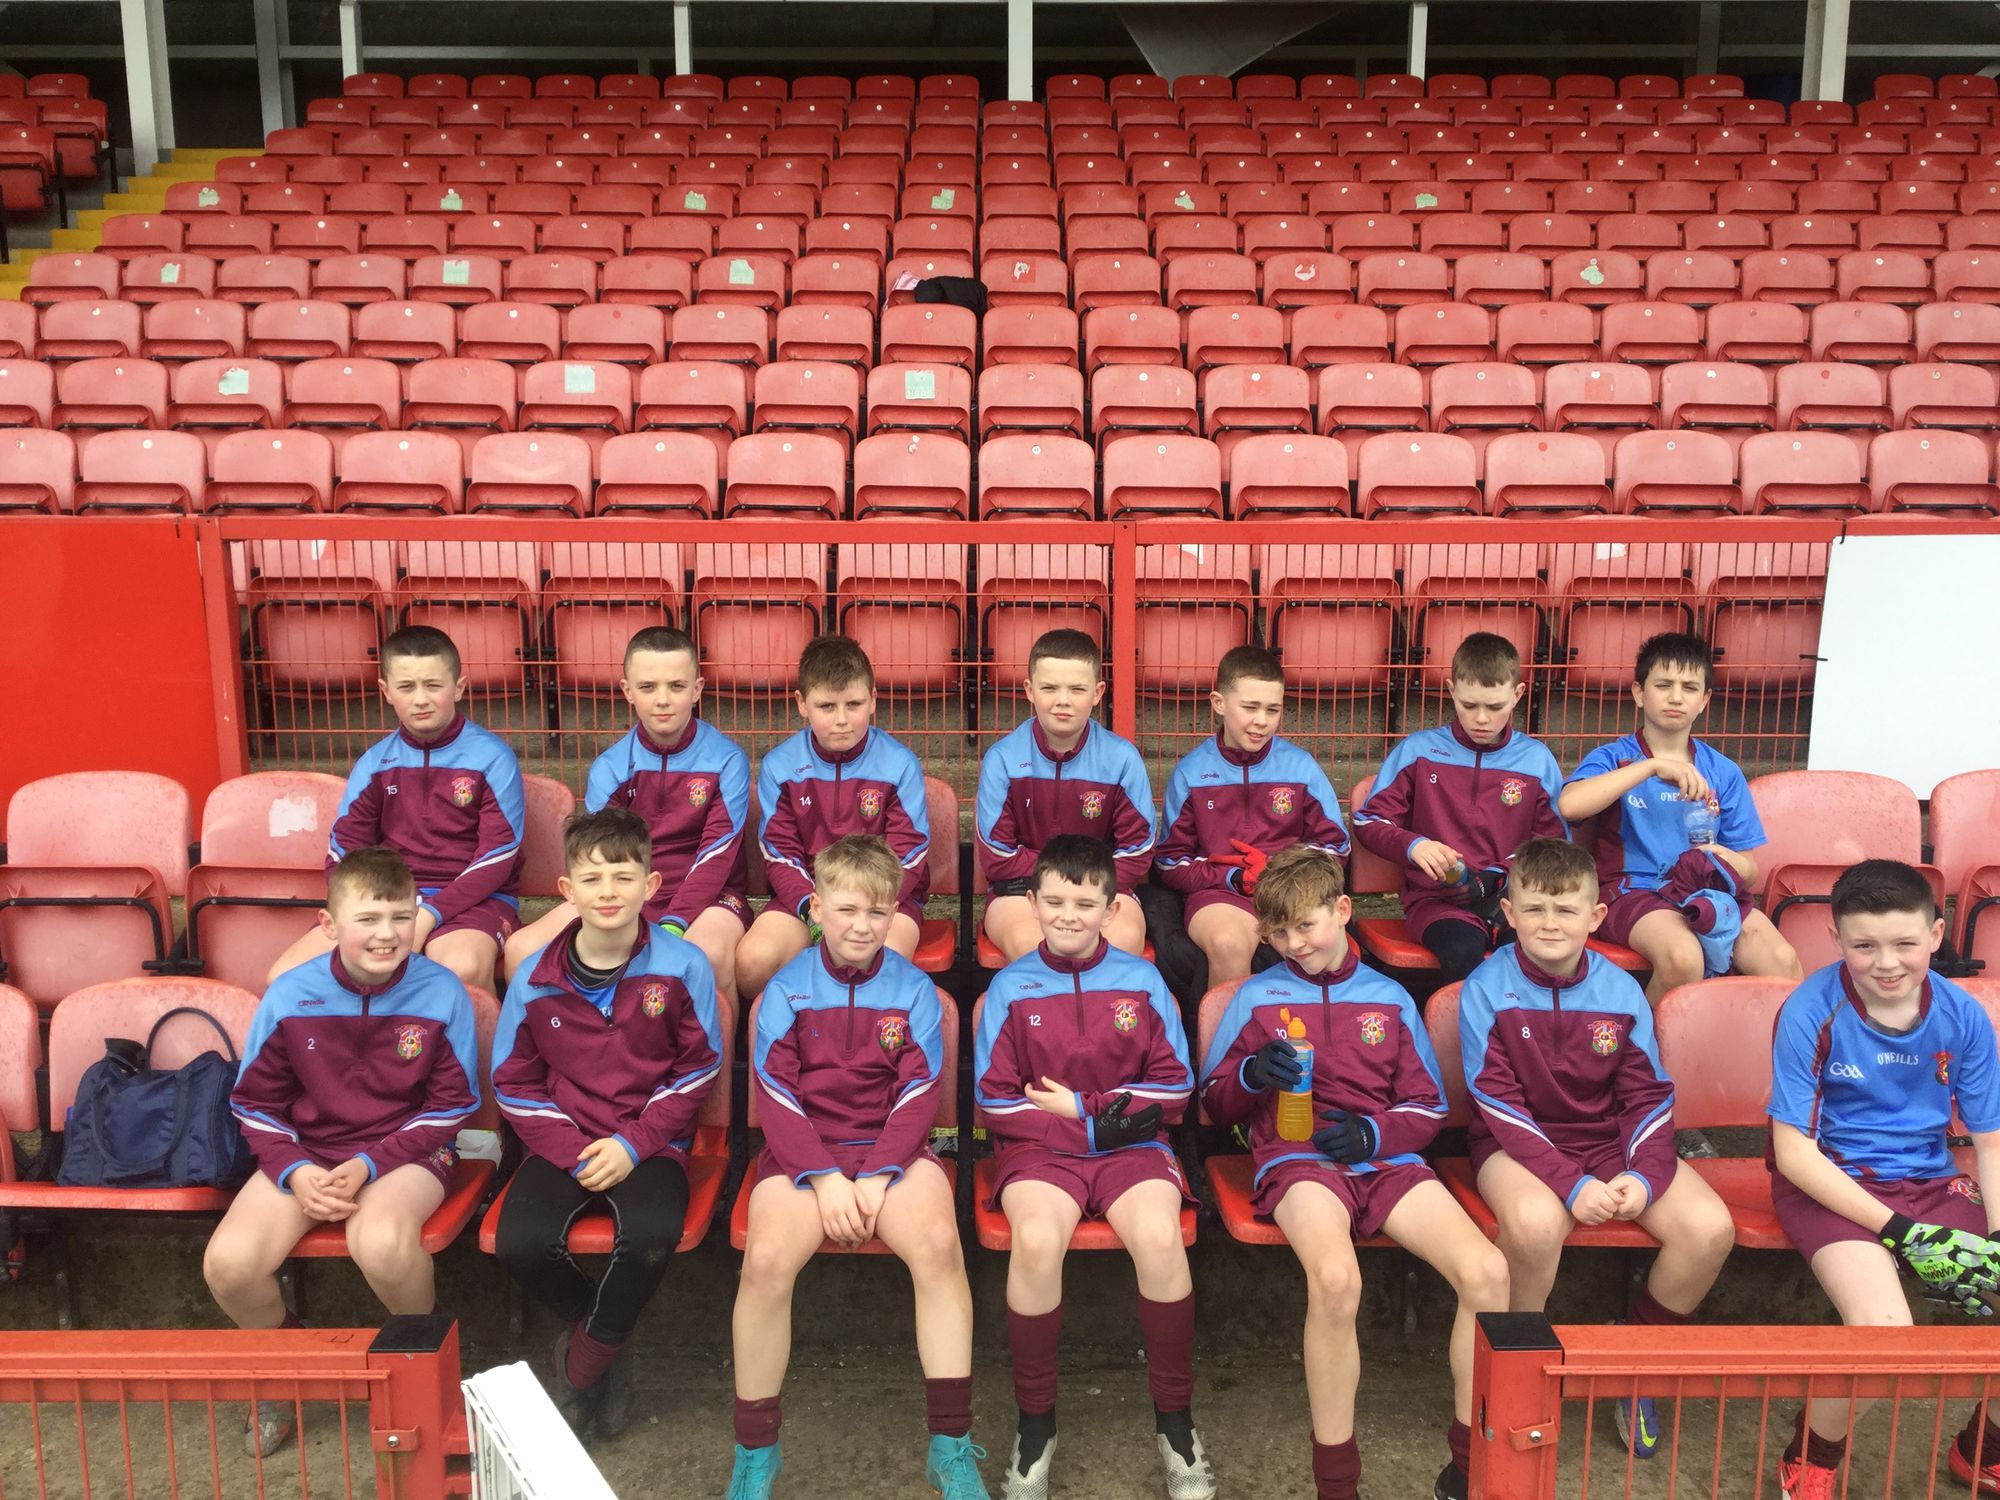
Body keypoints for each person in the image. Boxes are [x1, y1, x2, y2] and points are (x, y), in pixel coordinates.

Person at [1199, 845, 1509, 1500]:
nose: (1293, 942)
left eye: (1305, 925)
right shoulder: (1255, 997)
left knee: (1487, 1272)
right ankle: (1337, 1482)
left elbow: (1427, 1107)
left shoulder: (1388, 998)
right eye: (1278, 931)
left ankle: (1467, 1465)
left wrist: (1376, 1131)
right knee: (1338, 1279)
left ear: (1342, 910)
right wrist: (1253, 1074)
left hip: (1387, 1158)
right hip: (1299, 1159)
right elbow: (1211, 1104)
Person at [725, 836, 988, 1500]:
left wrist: (874, 1174)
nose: (861, 926)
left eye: (876, 912)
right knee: (763, 1262)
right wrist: (821, 1175)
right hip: (803, 1154)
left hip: (889, 1153)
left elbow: (918, 1095)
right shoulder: (785, 989)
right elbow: (776, 1095)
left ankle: (951, 1446)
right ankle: (756, 1451)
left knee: (937, 1246)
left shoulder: (914, 991)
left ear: (895, 912)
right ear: (816, 908)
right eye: (845, 910)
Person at [1459, 837, 1736, 1458]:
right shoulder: (1486, 988)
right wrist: (1570, 1184)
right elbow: (1499, 1104)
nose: (1549, 924)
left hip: (1607, 1141)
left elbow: (1648, 1097)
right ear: (1508, 914)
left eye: (1565, 909)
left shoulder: (1619, 992)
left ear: (1596, 916)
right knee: (1532, 1225)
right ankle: (1519, 1364)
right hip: (1517, 1144)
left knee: (1709, 1229)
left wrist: (1644, 1174)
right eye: (1534, 909)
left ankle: (1634, 1358)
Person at [206, 846, 480, 1457]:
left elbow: (453, 1105)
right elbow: (255, 1105)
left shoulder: (441, 992)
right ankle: (290, 1368)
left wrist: (369, 1164)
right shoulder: (289, 995)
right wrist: (297, 1170)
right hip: (310, 1151)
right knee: (230, 1265)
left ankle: (429, 1363)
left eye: (401, 917)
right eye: (369, 919)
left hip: (409, 1151)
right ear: (329, 925)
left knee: (379, 1242)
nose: (387, 934)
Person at [974, 835, 1211, 1500]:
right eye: (1054, 901)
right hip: (1038, 1152)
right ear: (1033, 904)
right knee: (1039, 1239)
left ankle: (1175, 1423)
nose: (1069, 915)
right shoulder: (1010, 986)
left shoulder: (1141, 980)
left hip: (1129, 1148)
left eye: (1085, 902)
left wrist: (1089, 1110)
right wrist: (1074, 1126)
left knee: (1161, 1238)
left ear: (1112, 909)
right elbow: (995, 1101)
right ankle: (1036, 1425)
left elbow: (1174, 1089)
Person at [1768, 859, 2000, 1500]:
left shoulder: (1965, 1014)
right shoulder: (1810, 1010)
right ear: (1837, 939)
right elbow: (1793, 1155)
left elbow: (1991, 1140)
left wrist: (1999, 1236)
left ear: (1935, 933)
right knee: (1885, 1335)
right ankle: (1811, 1456)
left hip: (1929, 1181)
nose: (1887, 962)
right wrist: (1904, 1234)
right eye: (1865, 945)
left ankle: (1984, 1450)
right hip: (1830, 1184)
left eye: (1904, 942)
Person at [491, 807, 724, 1439]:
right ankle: (607, 1345)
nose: (609, 892)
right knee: (519, 1244)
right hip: (564, 1140)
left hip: (651, 1141)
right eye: (592, 880)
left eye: (624, 877)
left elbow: (698, 1069)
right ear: (567, 892)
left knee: (650, 1236)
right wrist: (573, 1151)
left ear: (651, 886)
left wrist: (634, 1143)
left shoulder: (682, 966)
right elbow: (513, 1082)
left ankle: (580, 1369)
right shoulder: (535, 978)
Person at [269, 625, 525, 997]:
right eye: (406, 687)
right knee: (287, 977)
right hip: (389, 898)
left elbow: (498, 857)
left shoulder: (493, 759)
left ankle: (483, 1057)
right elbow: (343, 853)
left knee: (460, 968)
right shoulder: (373, 764)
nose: (421, 699)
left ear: (459, 687)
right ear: (386, 692)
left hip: (475, 903)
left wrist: (426, 916)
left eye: (433, 685)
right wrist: (379, 910)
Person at [502, 626, 750, 999]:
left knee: (708, 955)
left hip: (712, 899)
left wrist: (674, 923)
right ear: (627, 691)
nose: (662, 700)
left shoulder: (727, 761)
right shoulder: (612, 767)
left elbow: (717, 854)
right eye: (648, 687)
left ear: (697, 689)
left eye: (677, 686)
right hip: (628, 894)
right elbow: (604, 856)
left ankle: (722, 1055)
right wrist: (630, 911)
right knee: (522, 951)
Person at [1559, 631, 1802, 1004]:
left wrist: (1725, 858)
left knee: (1782, 962)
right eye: (1663, 684)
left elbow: (1750, 870)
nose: (1676, 696)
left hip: (1707, 891)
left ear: (1704, 700)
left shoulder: (1722, 771)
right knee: (1682, 957)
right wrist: (1651, 767)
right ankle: (1642, 1054)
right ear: (1639, 693)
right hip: (1632, 891)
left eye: (1689, 687)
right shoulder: (1614, 758)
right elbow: (1571, 805)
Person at [1354, 632, 1566, 983]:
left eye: (1495, 707)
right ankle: (1460, 1037)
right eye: (1469, 705)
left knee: (1535, 955)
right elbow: (1368, 821)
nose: (1481, 718)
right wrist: (1413, 845)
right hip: (1436, 902)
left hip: (1515, 899)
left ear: (1518, 695)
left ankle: (1519, 1036)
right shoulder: (1418, 751)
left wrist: (1496, 877)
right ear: (1451, 690)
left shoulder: (1537, 761)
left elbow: (1553, 845)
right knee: (1461, 951)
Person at [734, 636, 931, 1002]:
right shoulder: (781, 766)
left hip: (881, 903)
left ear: (873, 700)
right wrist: (816, 911)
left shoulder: (899, 765)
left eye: (854, 704)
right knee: (752, 960)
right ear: (802, 704)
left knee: (884, 961)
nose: (842, 720)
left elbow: (910, 855)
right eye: (826, 706)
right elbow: (779, 854)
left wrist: (863, 909)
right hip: (808, 902)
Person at [1154, 645, 1349, 988]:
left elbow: (1337, 851)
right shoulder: (1191, 773)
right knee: (1228, 945)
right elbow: (1171, 864)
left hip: (1293, 890)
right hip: (1220, 894)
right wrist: (1232, 877)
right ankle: (1229, 1041)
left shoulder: (1301, 768)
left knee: (1323, 941)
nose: (1262, 720)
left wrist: (1278, 871)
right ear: (1218, 703)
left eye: (1272, 709)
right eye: (1250, 707)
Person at [977, 628, 1154, 963]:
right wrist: (1066, 878)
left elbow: (1137, 852)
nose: (1063, 700)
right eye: (1049, 688)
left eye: (1077, 689)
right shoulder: (1003, 759)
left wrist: (1084, 886)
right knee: (1031, 945)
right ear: (1030, 690)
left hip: (1101, 892)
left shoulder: (1122, 759)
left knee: (1125, 938)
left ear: (1098, 692)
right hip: (1022, 893)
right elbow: (997, 858)